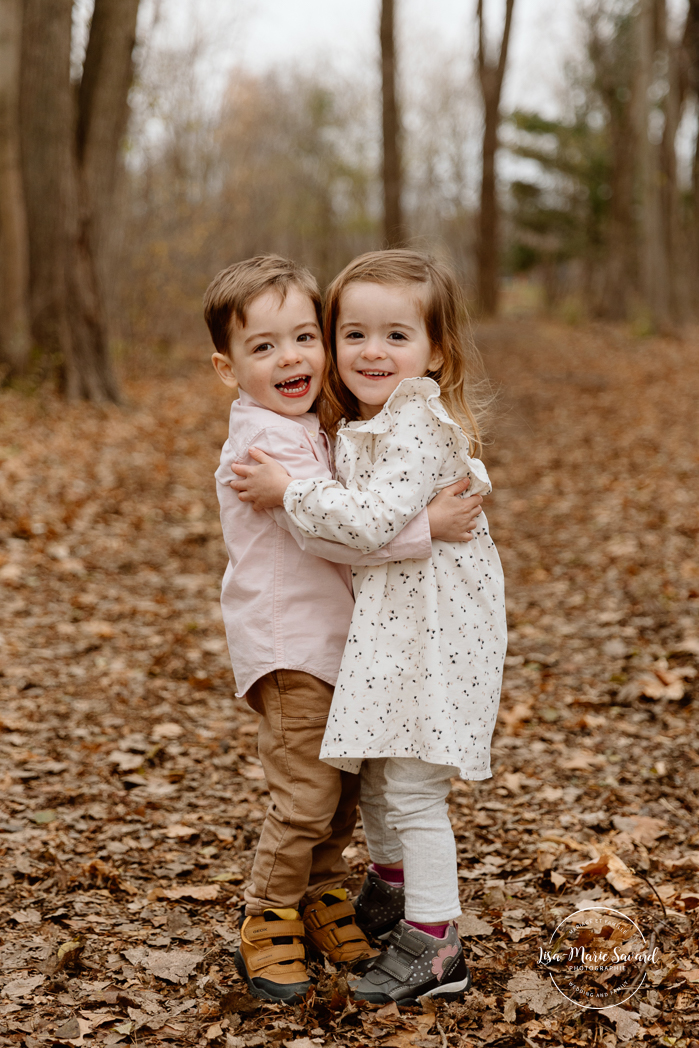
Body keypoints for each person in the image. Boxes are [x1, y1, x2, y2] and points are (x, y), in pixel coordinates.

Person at [204, 255, 485, 1004]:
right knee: (303, 796)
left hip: (341, 647)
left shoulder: (315, 425)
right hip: (290, 644)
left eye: (303, 337)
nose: (290, 358)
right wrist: (425, 528)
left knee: (338, 795)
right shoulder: (265, 449)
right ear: (226, 368)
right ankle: (265, 918)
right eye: (263, 347)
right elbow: (331, 536)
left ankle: (323, 896)